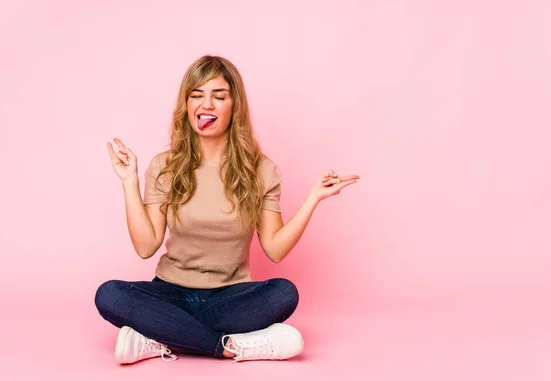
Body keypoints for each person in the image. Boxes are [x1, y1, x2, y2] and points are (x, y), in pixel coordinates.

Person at [94, 55, 360, 365]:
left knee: (284, 292)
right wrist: (129, 183)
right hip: (171, 294)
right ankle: (229, 346)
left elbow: (274, 249)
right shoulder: (163, 166)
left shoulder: (260, 170)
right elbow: (145, 246)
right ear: (186, 104)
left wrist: (313, 198)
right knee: (109, 294)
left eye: (218, 96)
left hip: (231, 297)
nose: (206, 104)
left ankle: (159, 336)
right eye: (197, 95)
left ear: (234, 107)